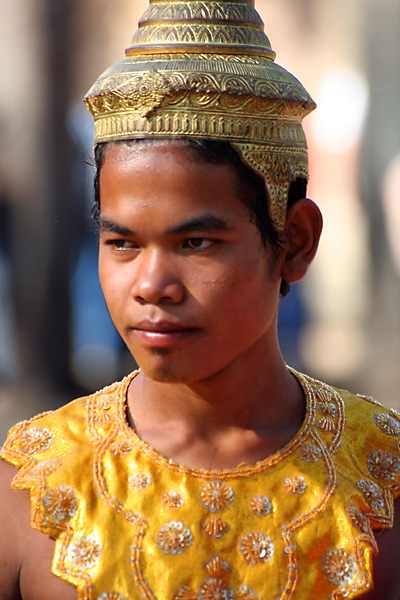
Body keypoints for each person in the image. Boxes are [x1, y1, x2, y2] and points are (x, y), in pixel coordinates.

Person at [1, 1, 400, 599]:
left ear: (293, 242)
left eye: (196, 241)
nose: (151, 285)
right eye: (123, 243)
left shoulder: (381, 481)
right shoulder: (31, 488)